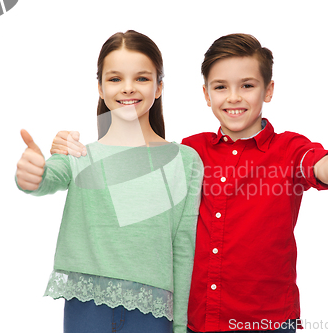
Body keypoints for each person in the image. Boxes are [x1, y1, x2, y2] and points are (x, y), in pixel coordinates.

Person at [50, 33, 328, 333]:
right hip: (199, 320)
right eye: (221, 87)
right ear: (206, 94)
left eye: (247, 85)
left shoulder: (288, 149)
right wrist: (70, 149)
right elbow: (131, 172)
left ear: (268, 90)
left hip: (267, 321)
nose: (233, 97)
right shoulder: (190, 151)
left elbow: (320, 166)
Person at [15, 30, 203, 333]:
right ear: (100, 88)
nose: (128, 88)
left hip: (153, 314)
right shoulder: (78, 153)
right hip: (86, 308)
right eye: (115, 79)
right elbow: (48, 178)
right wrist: (32, 175)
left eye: (141, 78)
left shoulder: (185, 160)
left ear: (159, 88)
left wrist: (180, 326)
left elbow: (183, 249)